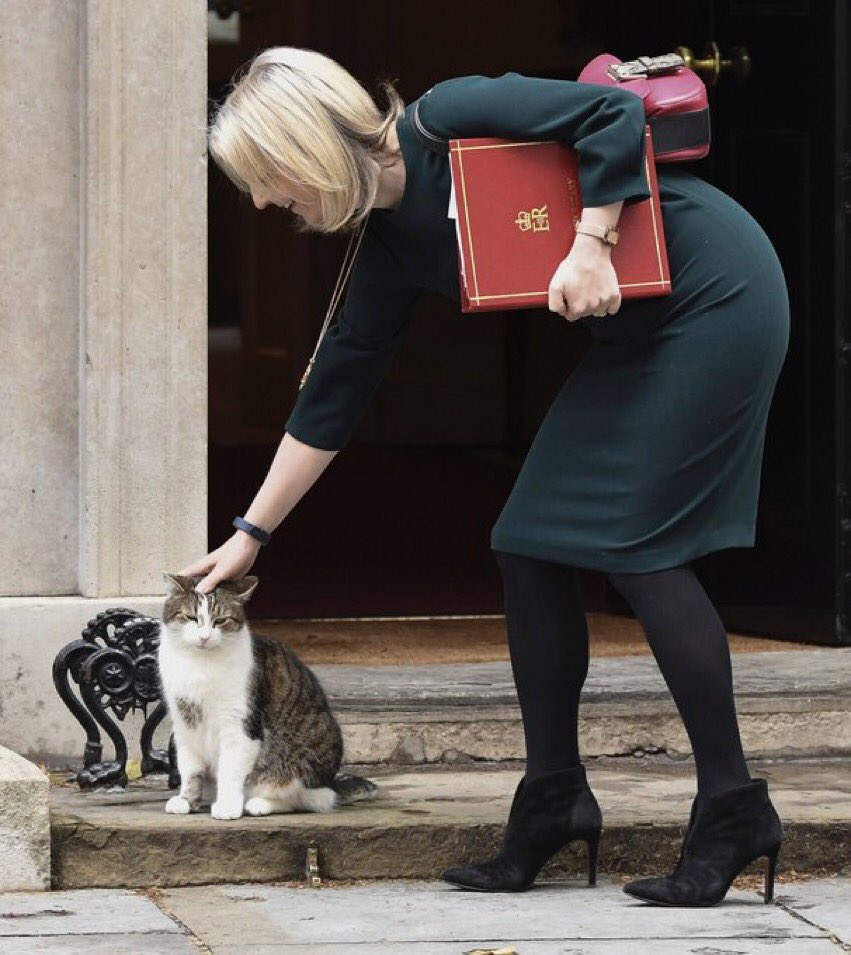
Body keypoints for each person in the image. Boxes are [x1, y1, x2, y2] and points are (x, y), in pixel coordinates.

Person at [182, 46, 789, 906]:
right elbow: (332, 393)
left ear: (303, 145)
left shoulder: (449, 113)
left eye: (262, 174)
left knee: (639, 548)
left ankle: (732, 808)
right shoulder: (387, 244)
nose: (260, 200)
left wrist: (589, 243)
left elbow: (609, 115)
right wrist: (249, 535)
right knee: (527, 543)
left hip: (715, 292)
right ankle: (553, 800)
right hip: (641, 335)